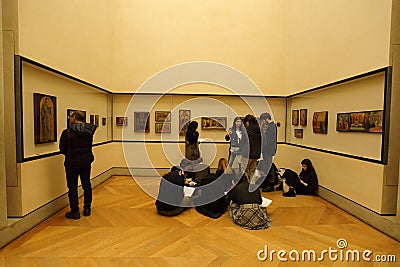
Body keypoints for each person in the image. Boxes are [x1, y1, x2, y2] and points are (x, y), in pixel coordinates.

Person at [59, 111, 97, 219]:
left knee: (72, 187)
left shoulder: (67, 133)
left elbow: (62, 148)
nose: (69, 119)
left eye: (70, 117)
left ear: (74, 118)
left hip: (72, 162)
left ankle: (75, 211)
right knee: (86, 185)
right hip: (86, 161)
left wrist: (70, 153)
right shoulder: (89, 132)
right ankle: (87, 208)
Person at [250, 112, 277, 190]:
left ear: (265, 119)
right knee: (267, 166)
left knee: (269, 167)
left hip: (268, 150)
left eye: (263, 120)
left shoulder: (271, 127)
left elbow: (269, 140)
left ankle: (271, 184)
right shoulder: (271, 126)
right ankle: (267, 183)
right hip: (268, 150)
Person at [241, 114, 261, 183]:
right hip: (256, 154)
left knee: (245, 171)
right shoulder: (259, 129)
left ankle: (246, 187)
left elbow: (242, 142)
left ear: (247, 122)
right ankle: (252, 186)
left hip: (247, 154)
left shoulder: (246, 129)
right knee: (253, 171)